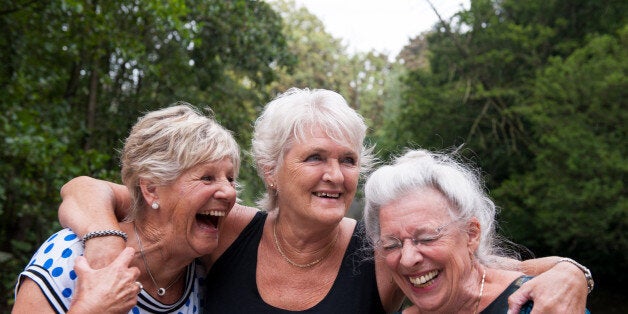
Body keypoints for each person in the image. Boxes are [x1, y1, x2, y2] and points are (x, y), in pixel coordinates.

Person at [57, 88, 590, 313]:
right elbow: (84, 190)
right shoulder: (223, 232)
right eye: (314, 158)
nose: (335, 176)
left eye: (349, 160)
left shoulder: (379, 258)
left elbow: (485, 269)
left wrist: (572, 274)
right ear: (270, 169)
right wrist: (103, 247)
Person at [13, 103, 240, 313]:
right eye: (207, 178)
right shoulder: (71, 256)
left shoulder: (205, 272)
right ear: (151, 189)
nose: (229, 192)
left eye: (230, 178)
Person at [363, 149, 592, 313]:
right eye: (392, 245)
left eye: (426, 238)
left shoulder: (535, 304)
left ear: (471, 234)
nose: (408, 258)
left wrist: (572, 272)